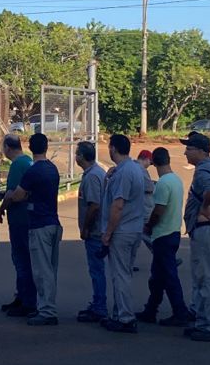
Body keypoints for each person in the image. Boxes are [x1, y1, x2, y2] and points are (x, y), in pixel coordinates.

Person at [8, 133, 63, 326]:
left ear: (31, 148)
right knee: (50, 268)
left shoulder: (33, 171)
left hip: (39, 224)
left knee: (41, 271)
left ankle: (47, 311)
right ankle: (46, 305)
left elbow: (17, 196)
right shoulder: (52, 169)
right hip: (53, 221)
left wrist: (16, 195)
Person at [180, 131, 210, 342]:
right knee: (202, 277)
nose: (185, 152)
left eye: (189, 148)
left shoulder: (204, 171)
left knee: (208, 278)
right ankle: (204, 322)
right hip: (209, 229)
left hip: (206, 228)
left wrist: (204, 207)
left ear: (201, 151)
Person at [135, 147, 190, 328]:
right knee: (158, 277)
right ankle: (151, 309)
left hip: (162, 234)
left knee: (168, 276)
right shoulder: (175, 180)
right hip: (173, 231)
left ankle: (179, 311)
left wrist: (149, 225)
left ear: (154, 163)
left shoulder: (163, 183)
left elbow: (158, 210)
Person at [102, 134, 148, 334]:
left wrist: (108, 233)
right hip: (135, 228)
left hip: (122, 230)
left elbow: (118, 205)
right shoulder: (135, 168)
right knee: (125, 274)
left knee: (120, 276)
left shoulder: (123, 173)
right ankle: (120, 313)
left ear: (113, 149)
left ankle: (125, 318)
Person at [0, 134, 36, 318]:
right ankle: (21, 295)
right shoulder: (28, 161)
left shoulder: (17, 165)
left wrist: (1, 208)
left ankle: (27, 300)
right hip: (28, 218)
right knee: (25, 259)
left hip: (19, 220)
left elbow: (12, 193)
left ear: (7, 147)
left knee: (21, 259)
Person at [74, 141, 108, 323]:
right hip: (96, 230)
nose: (75, 157)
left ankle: (99, 306)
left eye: (77, 153)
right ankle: (97, 303)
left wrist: (86, 227)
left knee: (97, 270)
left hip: (94, 231)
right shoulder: (94, 173)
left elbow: (94, 205)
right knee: (96, 270)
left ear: (81, 157)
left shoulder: (93, 176)